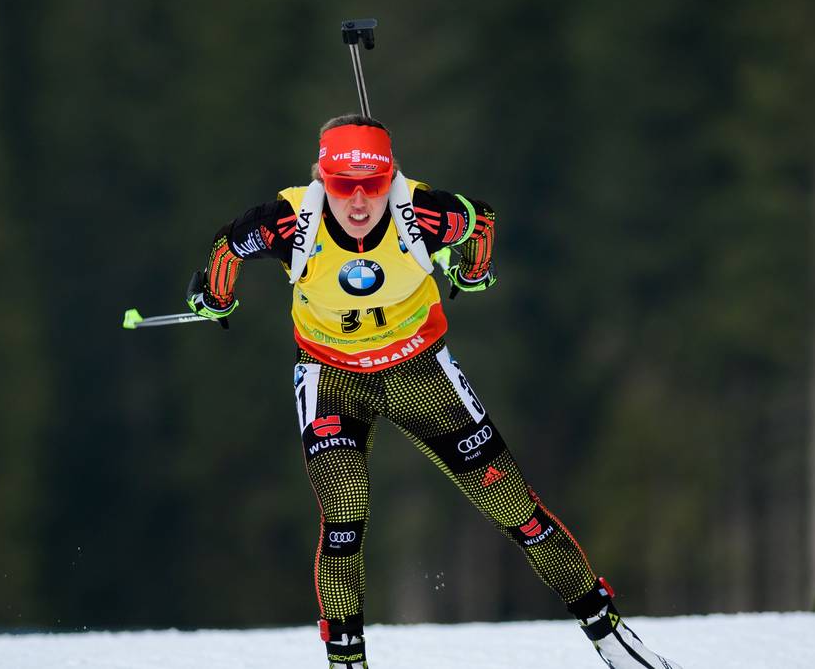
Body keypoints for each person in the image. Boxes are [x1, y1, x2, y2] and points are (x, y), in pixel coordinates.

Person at [186, 115, 681, 669]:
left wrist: (472, 271)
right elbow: (227, 247)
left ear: (390, 177)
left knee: (516, 508)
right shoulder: (289, 221)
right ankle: (346, 662)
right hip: (332, 378)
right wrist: (214, 297)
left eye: (372, 185)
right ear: (321, 179)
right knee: (345, 513)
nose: (358, 202)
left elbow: (480, 223)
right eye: (343, 186)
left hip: (419, 372)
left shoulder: (420, 213)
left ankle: (610, 636)